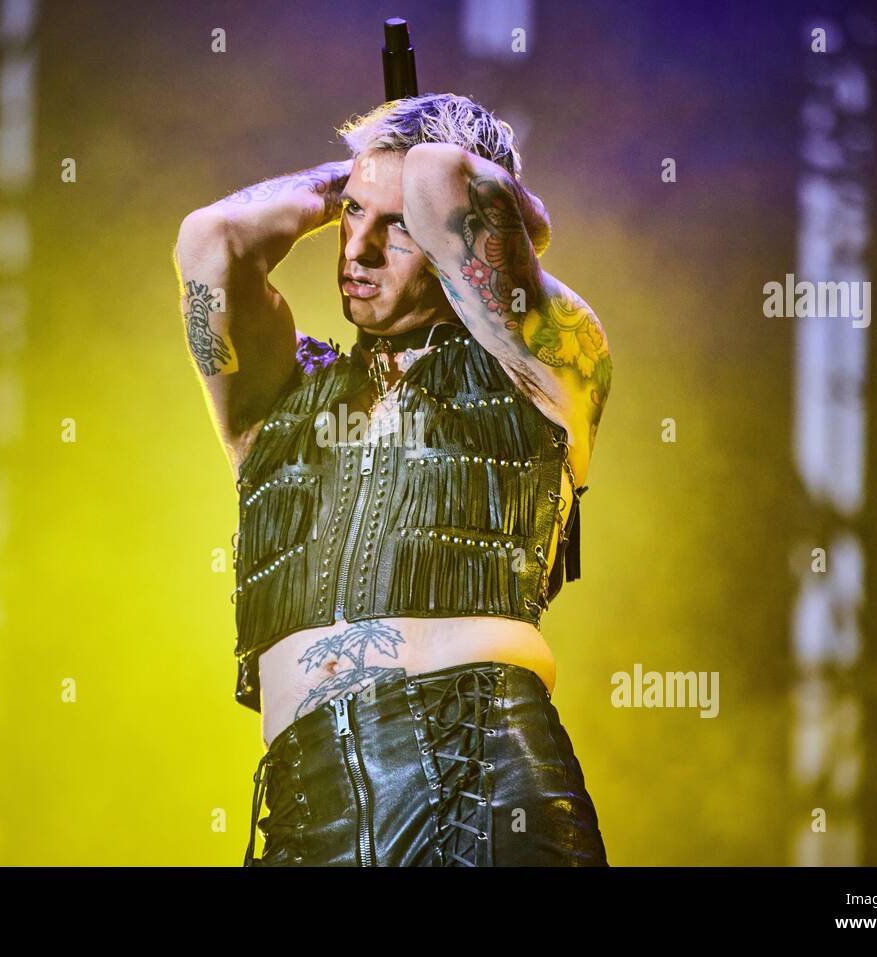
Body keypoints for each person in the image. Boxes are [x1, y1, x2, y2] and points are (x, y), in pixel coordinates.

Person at [173, 93, 612, 866]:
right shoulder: (276, 398)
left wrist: (491, 205)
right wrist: (362, 175)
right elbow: (210, 240)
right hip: (307, 809)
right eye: (351, 214)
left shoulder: (544, 366)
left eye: (399, 225)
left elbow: (445, 177)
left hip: (483, 787)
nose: (360, 249)